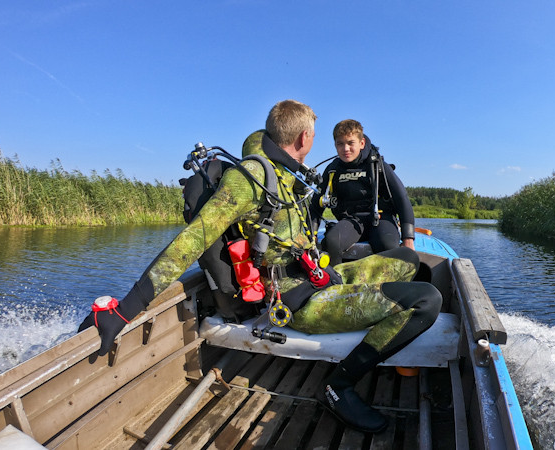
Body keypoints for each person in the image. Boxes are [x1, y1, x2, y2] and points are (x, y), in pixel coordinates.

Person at [78, 100, 441, 434]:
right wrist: (125, 311)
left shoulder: (283, 174)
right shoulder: (252, 178)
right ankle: (339, 386)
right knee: (426, 300)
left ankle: (375, 324)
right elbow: (192, 240)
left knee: (408, 258)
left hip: (316, 277)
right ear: (304, 137)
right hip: (297, 301)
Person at [310, 119, 415, 264]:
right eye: (340, 143)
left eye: (350, 143)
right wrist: (311, 235)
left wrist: (408, 238)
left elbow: (401, 198)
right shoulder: (333, 170)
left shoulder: (377, 165)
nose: (345, 148)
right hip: (351, 220)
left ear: (362, 143)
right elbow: (316, 204)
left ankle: (386, 285)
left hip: (381, 219)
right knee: (332, 241)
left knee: (387, 245)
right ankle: (336, 283)